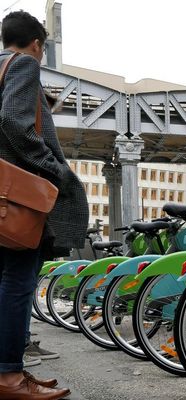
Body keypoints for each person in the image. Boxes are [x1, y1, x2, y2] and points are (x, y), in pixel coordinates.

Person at [0, 10, 88, 400]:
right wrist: (55, 170)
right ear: (38, 44)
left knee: (5, 283)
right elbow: (15, 123)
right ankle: (10, 378)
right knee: (18, 283)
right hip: (20, 198)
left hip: (2, 196)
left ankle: (9, 372)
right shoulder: (24, 67)